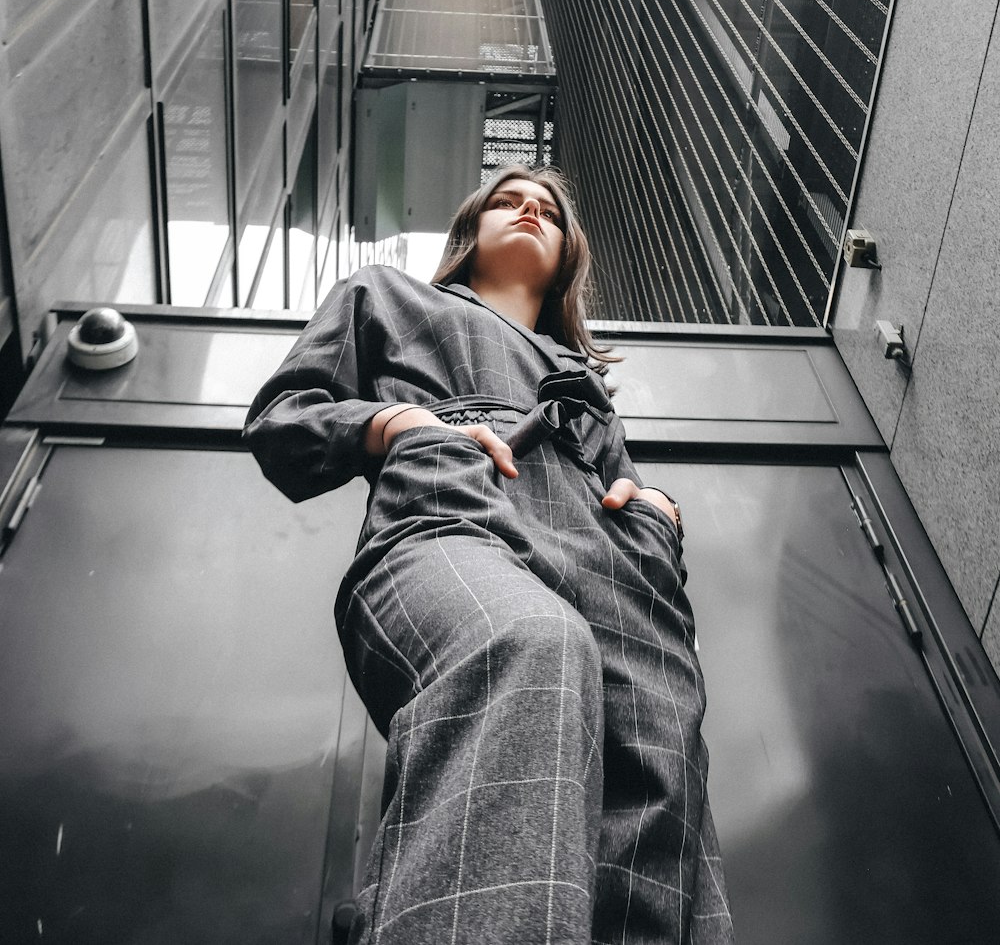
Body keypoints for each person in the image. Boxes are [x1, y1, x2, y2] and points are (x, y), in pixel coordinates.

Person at [244, 165, 733, 945]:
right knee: (529, 646)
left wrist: (655, 513)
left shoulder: (583, 382)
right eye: (509, 201)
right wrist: (400, 426)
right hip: (453, 505)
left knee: (659, 781)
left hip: (609, 556)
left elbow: (620, 482)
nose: (530, 211)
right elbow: (283, 422)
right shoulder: (386, 295)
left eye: (549, 211)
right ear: (472, 227)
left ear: (569, 254)